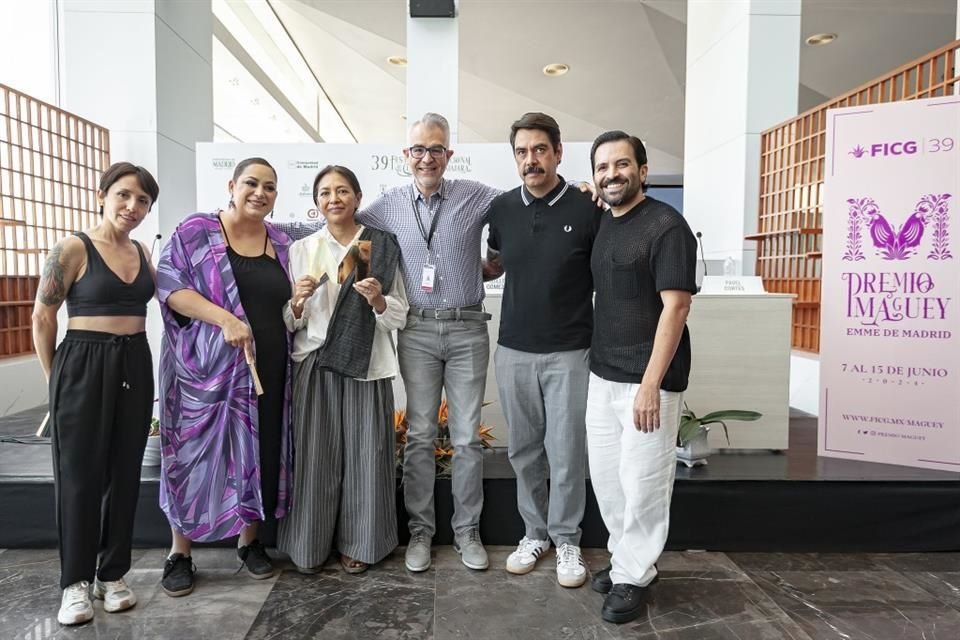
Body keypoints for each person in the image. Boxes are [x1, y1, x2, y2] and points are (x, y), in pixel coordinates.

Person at [351, 113, 500, 573]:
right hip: (414, 329)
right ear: (405, 155)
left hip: (468, 328)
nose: (427, 157)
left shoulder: (475, 195)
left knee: (466, 437)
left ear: (449, 155)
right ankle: (420, 532)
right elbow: (340, 222)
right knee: (418, 434)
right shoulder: (389, 204)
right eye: (418, 149)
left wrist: (497, 261)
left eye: (436, 149)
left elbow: (528, 205)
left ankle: (467, 532)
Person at [156, 157, 293, 597]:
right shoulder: (195, 231)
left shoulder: (283, 243)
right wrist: (224, 320)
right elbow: (171, 288)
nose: (260, 192)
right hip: (205, 377)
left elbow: (287, 307)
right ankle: (180, 552)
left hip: (266, 371)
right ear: (232, 185)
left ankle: (249, 543)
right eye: (251, 183)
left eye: (269, 187)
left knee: (258, 451)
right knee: (190, 459)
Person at [32, 162, 159, 625]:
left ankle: (113, 574)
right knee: (80, 475)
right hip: (82, 361)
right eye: (124, 195)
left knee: (124, 472)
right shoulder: (73, 247)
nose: (133, 206)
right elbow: (43, 317)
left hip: (134, 362)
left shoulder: (143, 252)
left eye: (143, 200)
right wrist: (56, 381)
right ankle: (75, 583)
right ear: (102, 194)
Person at [483, 113, 601, 588]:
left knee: (567, 450)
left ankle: (567, 538)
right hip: (513, 348)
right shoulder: (503, 209)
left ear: (557, 153)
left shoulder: (586, 206)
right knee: (525, 450)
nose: (530, 160)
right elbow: (494, 263)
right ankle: (535, 533)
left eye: (539, 150)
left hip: (571, 350)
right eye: (522, 152)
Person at [586, 131, 697, 624]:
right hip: (603, 373)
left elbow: (677, 308)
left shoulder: (667, 226)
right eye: (603, 166)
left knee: (644, 481)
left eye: (622, 164)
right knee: (611, 481)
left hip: (648, 381)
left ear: (644, 170)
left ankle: (634, 575)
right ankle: (628, 559)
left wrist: (651, 383)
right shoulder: (606, 222)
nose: (612, 173)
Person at [277, 165, 408, 574]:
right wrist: (296, 302)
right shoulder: (302, 249)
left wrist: (378, 302)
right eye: (325, 193)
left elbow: (400, 315)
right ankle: (310, 544)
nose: (334, 199)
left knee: (367, 455)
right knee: (316, 456)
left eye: (343, 191)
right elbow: (289, 320)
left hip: (366, 363)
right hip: (315, 363)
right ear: (316, 202)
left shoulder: (380, 245)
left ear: (357, 196)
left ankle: (362, 544)